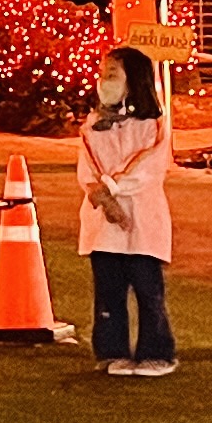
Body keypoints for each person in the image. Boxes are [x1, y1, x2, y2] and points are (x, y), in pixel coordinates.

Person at [78, 45, 178, 378]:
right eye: (103, 73)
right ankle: (111, 351)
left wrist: (113, 191)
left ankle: (157, 352)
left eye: (112, 74)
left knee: (148, 290)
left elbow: (148, 168)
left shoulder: (154, 125)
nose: (103, 80)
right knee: (108, 292)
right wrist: (106, 201)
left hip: (143, 218)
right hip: (102, 224)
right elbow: (87, 173)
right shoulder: (93, 125)